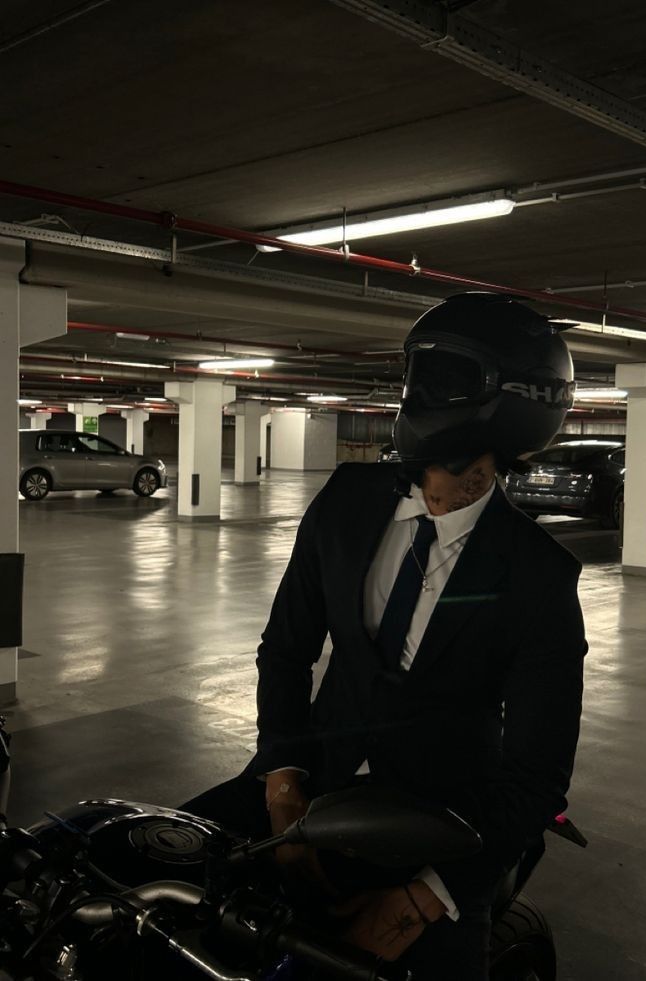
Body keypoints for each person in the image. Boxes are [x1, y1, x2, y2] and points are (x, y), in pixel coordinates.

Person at [183, 292, 587, 980]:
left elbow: (536, 774)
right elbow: (285, 649)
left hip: (446, 825)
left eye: (443, 377)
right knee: (138, 865)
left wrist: (419, 900)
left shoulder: (540, 576)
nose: (416, 395)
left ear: (519, 398)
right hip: (303, 782)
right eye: (414, 374)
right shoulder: (344, 501)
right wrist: (283, 787)